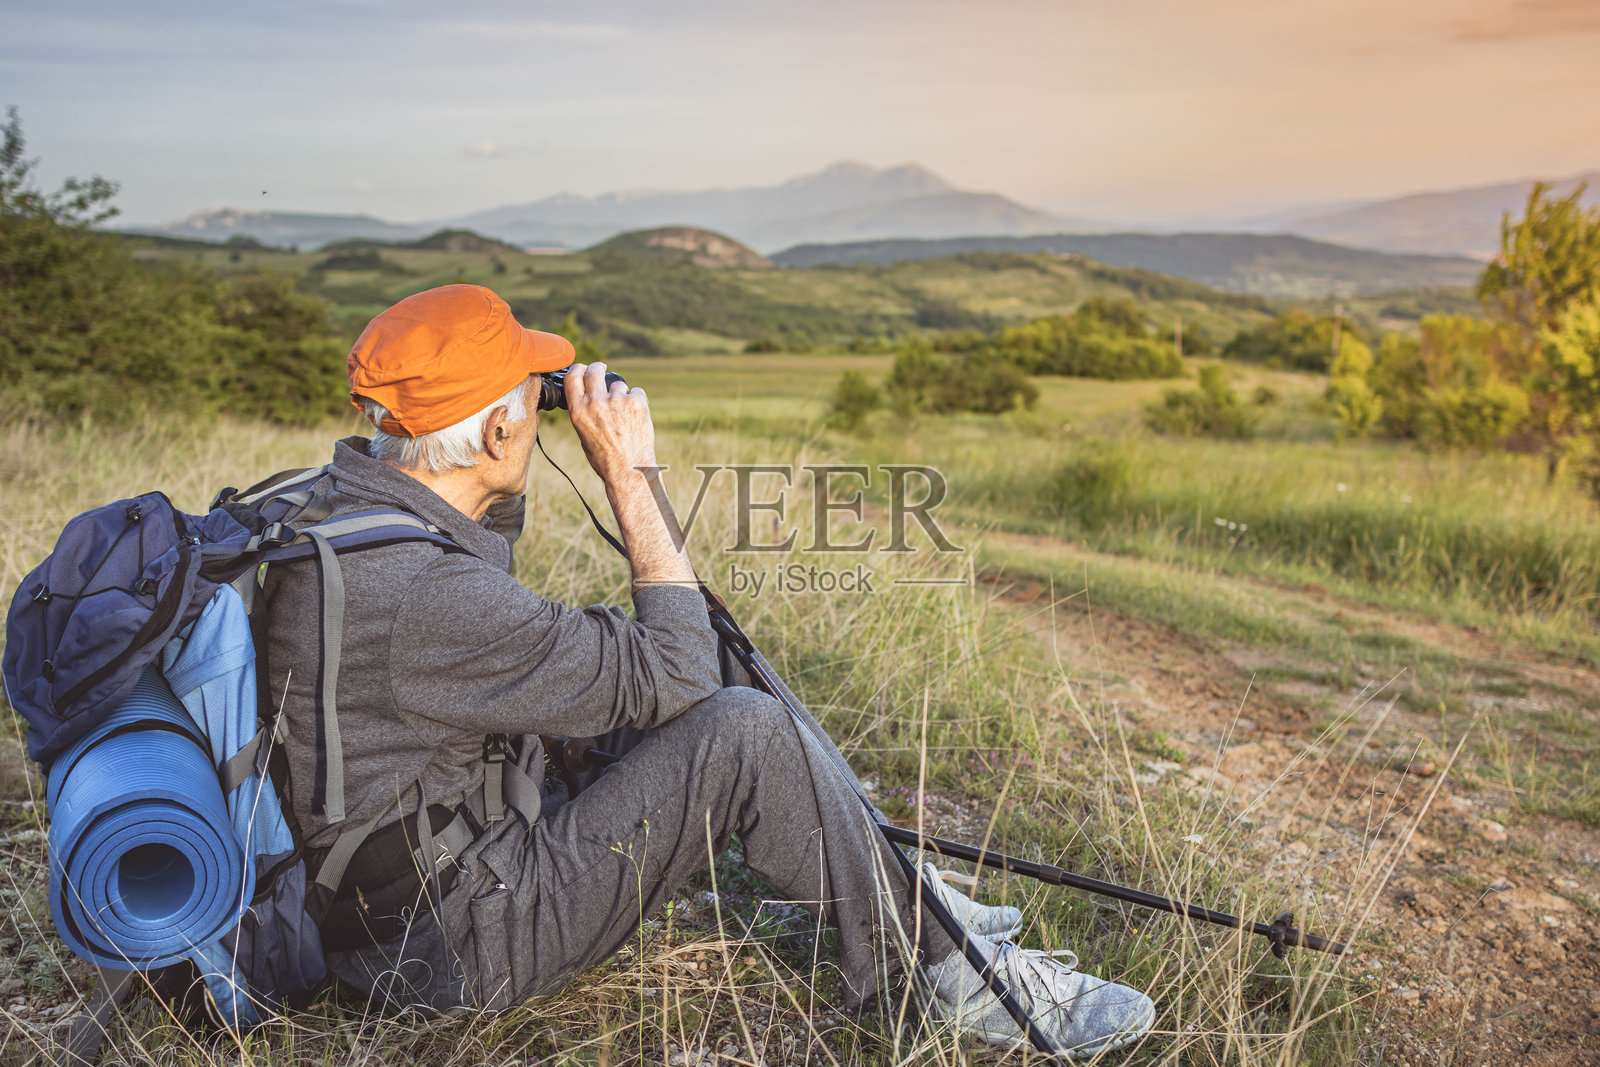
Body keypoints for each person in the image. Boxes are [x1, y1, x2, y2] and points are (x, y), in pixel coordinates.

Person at [259, 283, 1155, 1056]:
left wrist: (499, 457)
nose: (542, 404)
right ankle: (957, 982)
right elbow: (677, 676)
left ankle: (895, 881)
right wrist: (632, 475)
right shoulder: (425, 594)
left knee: (688, 637)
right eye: (528, 396)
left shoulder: (351, 506)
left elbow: (521, 590)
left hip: (401, 889)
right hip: (452, 944)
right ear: (498, 426)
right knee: (739, 725)